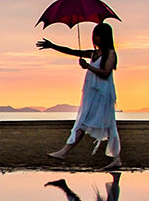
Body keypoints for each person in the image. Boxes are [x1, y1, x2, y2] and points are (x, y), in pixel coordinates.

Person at [37, 21, 120, 168]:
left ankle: (64, 152)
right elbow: (71, 51)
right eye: (94, 35)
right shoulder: (93, 54)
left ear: (105, 37)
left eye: (98, 35)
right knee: (95, 123)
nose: (95, 38)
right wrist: (53, 46)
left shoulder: (110, 53)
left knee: (98, 123)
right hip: (92, 94)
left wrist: (87, 66)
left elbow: (106, 73)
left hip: (103, 95)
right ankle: (116, 160)